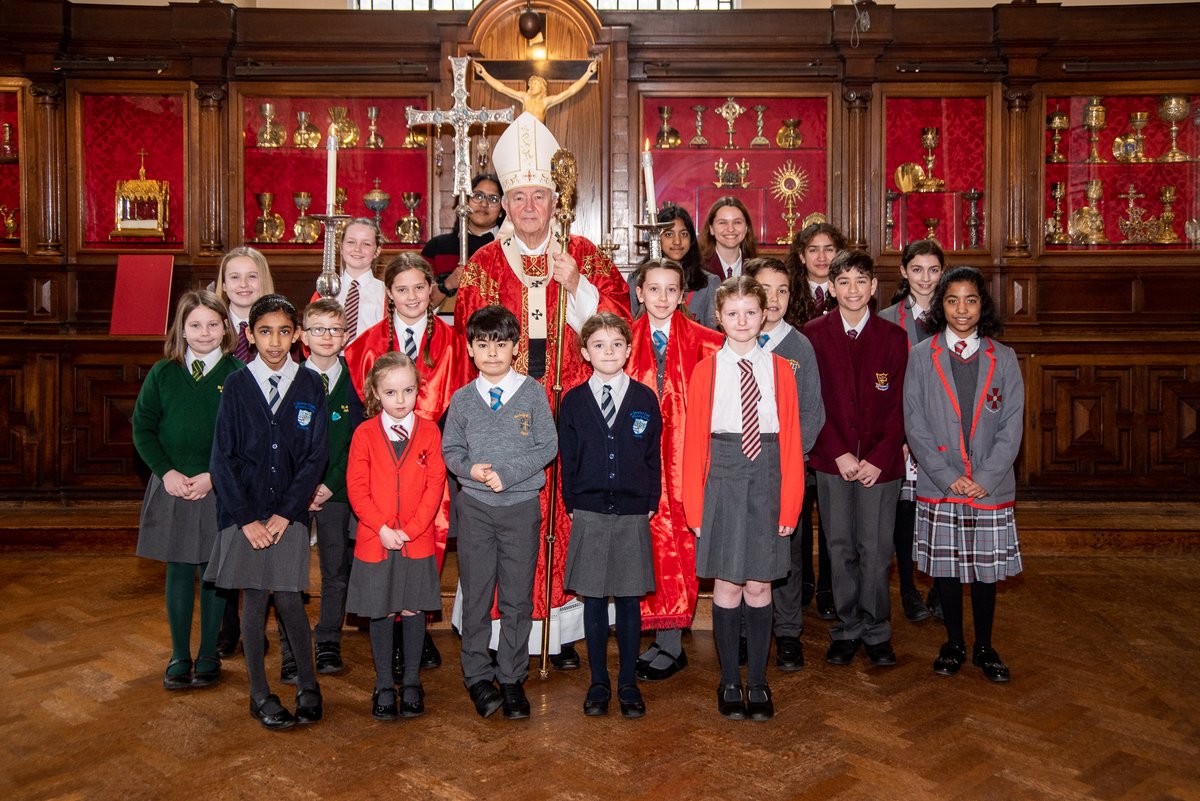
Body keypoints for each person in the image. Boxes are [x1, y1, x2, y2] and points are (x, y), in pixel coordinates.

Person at [454, 111, 631, 669]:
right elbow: (467, 338)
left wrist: (575, 284)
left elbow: (617, 325)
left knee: (566, 512)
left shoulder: (583, 253)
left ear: (556, 202)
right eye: (519, 198)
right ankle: (500, 632)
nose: (530, 207)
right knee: (505, 515)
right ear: (504, 205)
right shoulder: (483, 264)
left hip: (571, 406)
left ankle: (558, 630)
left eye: (539, 196)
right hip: (502, 413)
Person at [343, 252, 474, 673]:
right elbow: (359, 418)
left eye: (420, 287)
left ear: (432, 289)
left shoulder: (455, 343)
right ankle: (394, 635)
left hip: (432, 462)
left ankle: (416, 629)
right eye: (402, 289)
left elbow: (461, 408)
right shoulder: (365, 346)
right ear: (389, 293)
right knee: (386, 558)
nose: (413, 296)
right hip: (383, 468)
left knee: (424, 550)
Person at [682, 276, 805, 721]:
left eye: (750, 312)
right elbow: (694, 442)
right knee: (729, 584)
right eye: (732, 313)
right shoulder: (707, 370)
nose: (742, 321)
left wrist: (790, 503)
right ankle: (730, 679)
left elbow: (791, 440)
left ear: (764, 312)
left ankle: (758, 680)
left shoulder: (780, 369)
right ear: (719, 317)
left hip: (768, 476)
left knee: (759, 584)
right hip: (724, 476)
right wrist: (694, 505)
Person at [206, 294, 328, 730]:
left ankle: (308, 686)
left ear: (296, 335)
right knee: (255, 600)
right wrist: (247, 519)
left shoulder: (311, 384)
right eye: (264, 332)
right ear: (249, 335)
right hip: (246, 516)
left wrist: (287, 513)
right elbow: (222, 458)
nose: (274, 342)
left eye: (283, 332)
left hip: (289, 514)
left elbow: (315, 457)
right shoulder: (237, 385)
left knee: (291, 598)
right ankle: (259, 693)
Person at [904, 266, 1024, 683]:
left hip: (989, 486)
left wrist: (985, 477)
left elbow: (1011, 427)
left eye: (970, 300)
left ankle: (984, 646)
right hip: (942, 484)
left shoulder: (1004, 358)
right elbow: (914, 423)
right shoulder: (921, 356)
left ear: (982, 305)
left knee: (985, 572)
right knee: (948, 570)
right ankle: (953, 643)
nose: (961, 309)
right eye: (952, 300)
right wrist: (946, 475)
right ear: (941, 305)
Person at [442, 305, 559, 720]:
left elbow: (548, 446)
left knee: (516, 598)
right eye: (483, 344)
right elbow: (450, 449)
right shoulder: (462, 399)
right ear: (470, 349)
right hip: (475, 508)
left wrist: (507, 474)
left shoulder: (532, 393)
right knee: (476, 595)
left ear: (515, 348)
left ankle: (511, 676)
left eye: (501, 344)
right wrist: (469, 469)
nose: (492, 353)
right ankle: (476, 675)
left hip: (520, 508)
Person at [804, 251, 908, 670]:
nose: (852, 289)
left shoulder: (893, 337)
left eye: (861, 281)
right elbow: (812, 402)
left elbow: (902, 406)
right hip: (834, 461)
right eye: (843, 281)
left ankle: (877, 630)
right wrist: (839, 452)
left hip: (881, 466)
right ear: (831, 288)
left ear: (873, 287)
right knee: (840, 546)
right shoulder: (813, 334)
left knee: (876, 548)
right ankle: (847, 628)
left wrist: (879, 458)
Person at [133, 290, 241, 690]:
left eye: (212, 324)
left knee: (214, 571)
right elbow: (143, 428)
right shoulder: (164, 372)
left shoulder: (238, 375)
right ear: (181, 329)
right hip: (174, 485)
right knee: (178, 569)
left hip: (218, 487)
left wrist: (215, 475)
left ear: (225, 328)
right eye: (195, 325)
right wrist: (167, 473)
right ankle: (179, 653)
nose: (204, 332)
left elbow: (245, 438)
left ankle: (209, 652)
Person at [625, 259, 722, 682]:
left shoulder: (709, 343)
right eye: (653, 289)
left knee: (679, 548)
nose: (662, 298)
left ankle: (670, 643)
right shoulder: (620, 341)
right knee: (640, 548)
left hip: (688, 463)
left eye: (671, 290)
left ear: (683, 295)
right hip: (637, 463)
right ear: (640, 293)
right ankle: (646, 634)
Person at [560, 312, 662, 718]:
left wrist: (651, 497)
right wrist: (572, 502)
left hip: (633, 511)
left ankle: (628, 683)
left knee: (630, 600)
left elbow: (652, 454)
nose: (608, 352)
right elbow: (568, 459)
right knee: (595, 600)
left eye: (617, 344)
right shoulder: (573, 401)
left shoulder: (644, 398)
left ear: (628, 350)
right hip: (589, 510)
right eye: (599, 345)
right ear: (586, 352)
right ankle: (599, 681)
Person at [346, 352, 448, 719]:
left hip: (415, 540)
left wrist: (412, 529)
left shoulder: (430, 431)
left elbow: (435, 486)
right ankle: (384, 684)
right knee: (383, 610)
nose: (400, 400)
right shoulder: (364, 433)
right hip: (376, 540)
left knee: (412, 608)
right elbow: (357, 488)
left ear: (418, 390)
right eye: (390, 392)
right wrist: (382, 528)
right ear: (376, 392)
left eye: (408, 391)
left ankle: (413, 683)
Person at [744, 257, 826, 672]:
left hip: (788, 471)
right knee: (744, 551)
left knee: (787, 554)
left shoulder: (799, 347)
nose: (774, 299)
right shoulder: (734, 341)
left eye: (782, 291)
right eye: (765, 290)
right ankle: (746, 630)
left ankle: (789, 632)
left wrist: (787, 464)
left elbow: (812, 413)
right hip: (742, 472)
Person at [782, 221, 847, 619]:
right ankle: (802, 580)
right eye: (813, 250)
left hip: (836, 417)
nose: (822, 257)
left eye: (829, 249)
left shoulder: (849, 293)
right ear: (801, 256)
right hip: (801, 413)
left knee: (834, 512)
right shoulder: (787, 297)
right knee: (800, 508)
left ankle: (829, 587)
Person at [296, 298, 364, 678]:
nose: (327, 336)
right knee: (291, 568)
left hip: (336, 493)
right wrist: (305, 486)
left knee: (336, 568)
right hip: (294, 494)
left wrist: (330, 484)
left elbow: (357, 442)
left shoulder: (354, 382)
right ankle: (292, 643)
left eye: (335, 330)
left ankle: (327, 641)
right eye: (318, 329)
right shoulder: (291, 379)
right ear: (304, 336)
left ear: (345, 336)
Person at [213, 246, 274, 656]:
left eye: (252, 276)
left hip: (262, 456)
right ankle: (225, 625)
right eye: (234, 277)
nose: (243, 285)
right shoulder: (210, 327)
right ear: (223, 283)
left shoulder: (275, 326)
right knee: (224, 542)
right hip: (221, 452)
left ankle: (255, 622)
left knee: (260, 542)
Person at [879, 239, 943, 624]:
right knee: (905, 511)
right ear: (904, 272)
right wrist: (898, 435)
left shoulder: (954, 311)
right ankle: (907, 589)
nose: (925, 278)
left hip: (945, 432)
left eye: (933, 270)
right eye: (917, 270)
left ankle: (940, 588)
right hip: (904, 430)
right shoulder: (887, 318)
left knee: (941, 510)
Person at [421, 173, 504, 309]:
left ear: (502, 210)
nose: (484, 204)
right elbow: (418, 305)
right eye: (477, 196)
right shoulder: (436, 247)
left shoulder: (510, 249)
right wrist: (448, 284)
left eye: (494, 199)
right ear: (464, 202)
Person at [629, 205, 719, 329]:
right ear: (657, 237)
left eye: (684, 234)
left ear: (692, 239)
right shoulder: (636, 278)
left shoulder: (709, 282)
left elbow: (713, 333)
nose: (677, 241)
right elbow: (632, 326)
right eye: (669, 234)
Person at [309, 217, 386, 346]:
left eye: (366, 244)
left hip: (372, 357)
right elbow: (311, 336)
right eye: (351, 242)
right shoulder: (325, 290)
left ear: (377, 251)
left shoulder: (386, 294)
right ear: (341, 247)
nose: (357, 249)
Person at [473, 58, 599, 123]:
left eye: (535, 84)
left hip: (539, 136)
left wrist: (588, 74)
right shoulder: (524, 97)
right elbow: (501, 88)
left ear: (542, 87)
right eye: (531, 84)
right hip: (524, 136)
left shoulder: (546, 102)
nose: (532, 86)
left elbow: (571, 91)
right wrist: (484, 74)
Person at [699, 197, 758, 281]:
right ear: (711, 229)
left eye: (737, 222)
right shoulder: (698, 268)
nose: (731, 229)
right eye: (722, 222)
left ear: (746, 228)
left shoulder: (757, 270)